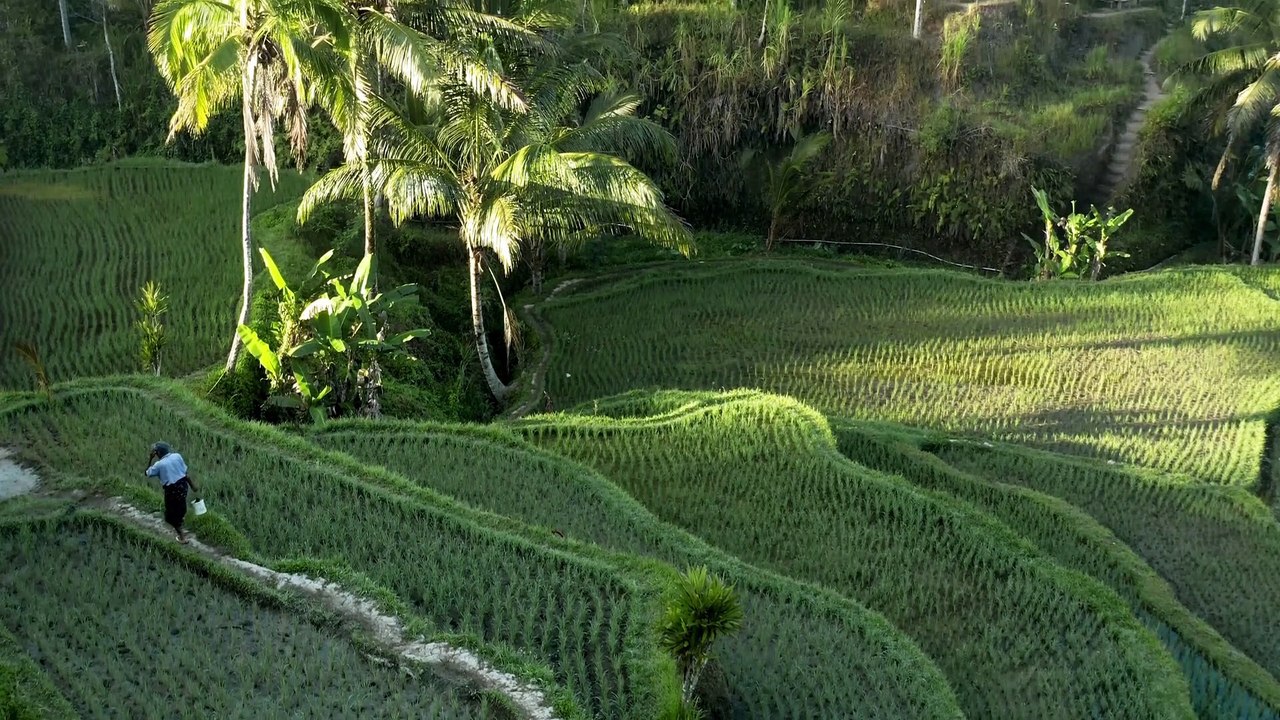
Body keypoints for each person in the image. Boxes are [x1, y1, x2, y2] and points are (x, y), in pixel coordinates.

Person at [144, 441, 198, 544]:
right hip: (183, 486)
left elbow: (147, 473)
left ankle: (182, 537)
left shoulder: (159, 465)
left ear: (157, 453)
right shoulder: (177, 456)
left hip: (172, 490)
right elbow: (185, 474)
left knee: (169, 516)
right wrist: (193, 486)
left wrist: (150, 458)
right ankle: (180, 519)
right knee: (181, 505)